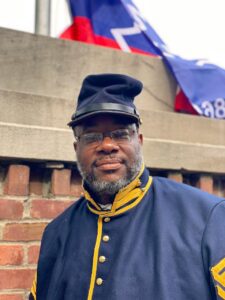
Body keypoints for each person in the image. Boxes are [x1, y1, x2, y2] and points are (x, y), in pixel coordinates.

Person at [29, 73, 225, 300]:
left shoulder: (208, 218)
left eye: (121, 134)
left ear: (139, 141)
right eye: (92, 137)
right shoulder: (56, 233)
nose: (108, 145)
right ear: (76, 148)